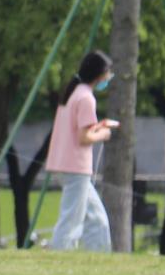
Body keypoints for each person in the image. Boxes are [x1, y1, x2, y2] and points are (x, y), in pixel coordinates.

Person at [44, 51, 119, 252]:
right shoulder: (86, 98)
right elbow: (83, 138)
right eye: (107, 73)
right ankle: (60, 255)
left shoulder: (73, 93)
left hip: (63, 164)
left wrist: (97, 127)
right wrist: (103, 134)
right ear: (99, 74)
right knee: (71, 219)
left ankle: (99, 257)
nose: (108, 78)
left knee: (97, 219)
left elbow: (75, 130)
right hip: (75, 167)